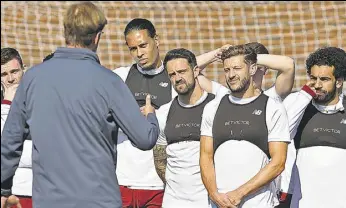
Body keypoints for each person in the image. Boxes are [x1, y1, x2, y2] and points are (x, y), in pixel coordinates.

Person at [1, 2, 160, 208]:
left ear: (66, 32)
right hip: (100, 200)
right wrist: (150, 116)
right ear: (97, 37)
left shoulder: (32, 78)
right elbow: (145, 138)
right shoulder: (109, 81)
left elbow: (9, 143)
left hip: (51, 201)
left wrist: (4, 188)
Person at [113, 18, 228, 207]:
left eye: (143, 45)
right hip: (123, 181)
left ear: (156, 41)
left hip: (158, 186)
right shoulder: (120, 77)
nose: (139, 53)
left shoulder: (175, 79)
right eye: (133, 49)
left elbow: (189, 68)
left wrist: (216, 55)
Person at [200, 45, 291, 208]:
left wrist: (239, 194)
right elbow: (205, 158)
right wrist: (214, 195)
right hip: (219, 203)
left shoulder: (272, 107)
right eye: (226, 69)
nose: (231, 75)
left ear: (252, 69)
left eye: (237, 68)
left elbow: (278, 163)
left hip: (258, 203)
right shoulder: (212, 108)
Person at [154, 48, 223, 208]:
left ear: (196, 70)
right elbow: (159, 158)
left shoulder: (218, 106)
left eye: (182, 71)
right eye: (172, 74)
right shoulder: (164, 112)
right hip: (173, 201)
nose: (177, 78)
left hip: (209, 201)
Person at [283, 47, 346, 208]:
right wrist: (304, 96)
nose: (317, 85)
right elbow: (280, 133)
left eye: (324, 79)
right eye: (313, 78)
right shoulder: (298, 104)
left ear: (339, 82)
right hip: (304, 203)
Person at [1, 47, 28, 208]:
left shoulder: (36, 98)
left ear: (23, 70)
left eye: (14, 72)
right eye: (3, 74)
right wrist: (6, 104)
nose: (10, 79)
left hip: (32, 188)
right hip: (8, 191)